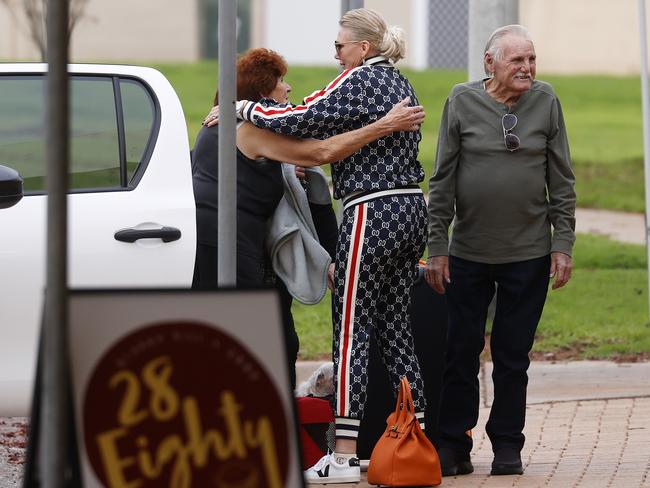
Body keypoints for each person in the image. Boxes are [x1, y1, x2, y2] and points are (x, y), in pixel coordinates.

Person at [208, 9, 429, 484]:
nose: (335, 54)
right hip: (412, 210)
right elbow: (321, 137)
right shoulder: (400, 84)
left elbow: (305, 118)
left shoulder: (356, 81)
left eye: (339, 46)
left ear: (362, 49)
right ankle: (416, 442)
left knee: (351, 330)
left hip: (372, 210)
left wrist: (239, 108)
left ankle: (345, 455)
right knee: (398, 331)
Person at [192, 48, 425, 392]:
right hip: (223, 244)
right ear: (260, 94)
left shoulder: (239, 129)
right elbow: (323, 152)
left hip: (236, 243)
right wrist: (384, 125)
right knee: (260, 337)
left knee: (273, 335)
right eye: (280, 82)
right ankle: (258, 425)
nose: (288, 89)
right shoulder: (245, 129)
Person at [425, 24, 576, 476]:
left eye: (531, 59)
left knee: (513, 355)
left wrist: (562, 243)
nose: (527, 68)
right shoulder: (461, 100)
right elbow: (442, 178)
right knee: (460, 351)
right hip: (468, 252)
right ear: (490, 63)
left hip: (528, 254)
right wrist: (437, 244)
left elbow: (562, 180)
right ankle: (454, 445)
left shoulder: (546, 101)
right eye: (517, 61)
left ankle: (508, 445)